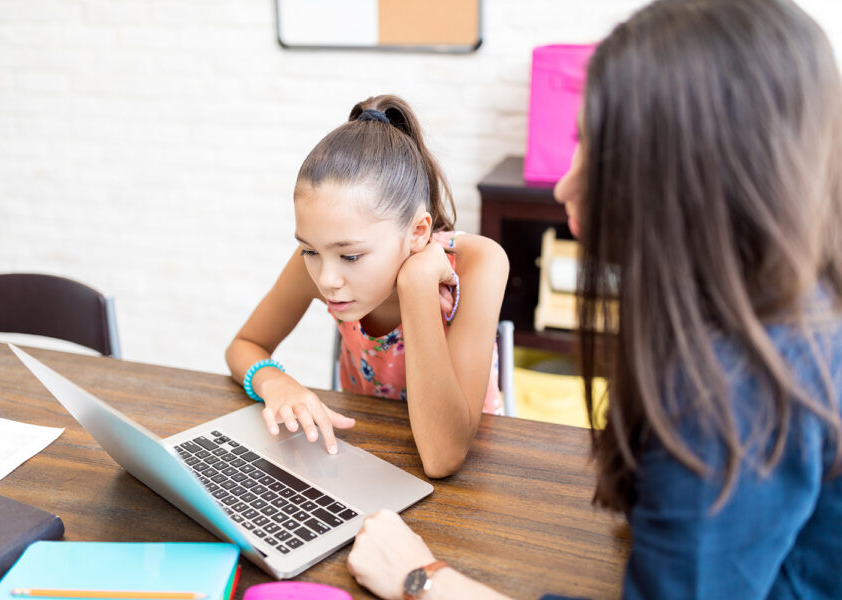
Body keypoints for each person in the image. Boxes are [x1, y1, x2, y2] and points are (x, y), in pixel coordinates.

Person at [346, 0, 842, 597]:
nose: (564, 183)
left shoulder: (727, 390)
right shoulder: (785, 306)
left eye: (591, 146)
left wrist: (421, 579)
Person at [226, 95, 508, 478]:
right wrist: (276, 383)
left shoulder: (479, 263)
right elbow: (244, 346)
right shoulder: (325, 260)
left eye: (351, 257)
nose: (326, 279)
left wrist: (416, 283)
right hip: (368, 461)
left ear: (418, 232)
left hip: (482, 475)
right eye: (309, 249)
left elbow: (443, 457)